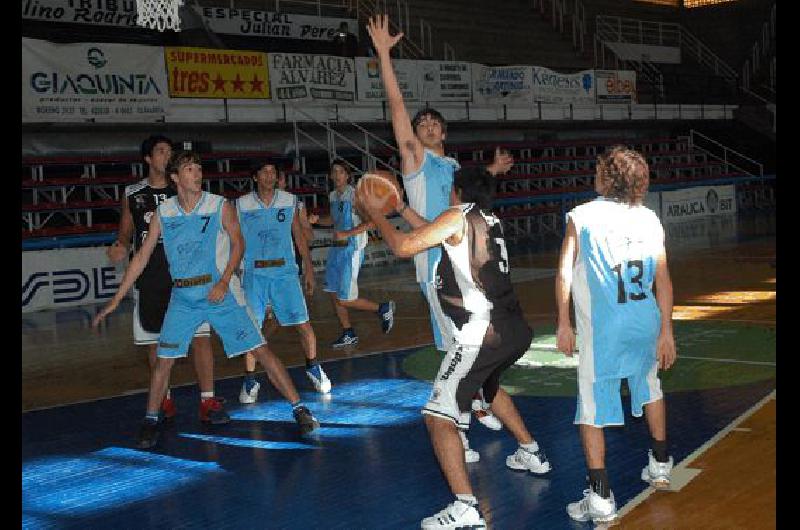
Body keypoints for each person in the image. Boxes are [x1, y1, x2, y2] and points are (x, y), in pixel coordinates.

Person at [359, 165, 551, 529]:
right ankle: (531, 452)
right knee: (488, 388)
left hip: (482, 332)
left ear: (456, 191)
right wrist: (400, 210)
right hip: (513, 328)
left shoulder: (457, 216)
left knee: (436, 416)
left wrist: (375, 214)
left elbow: (402, 246)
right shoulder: (489, 219)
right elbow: (436, 232)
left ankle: (466, 507)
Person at [94, 150, 320, 449]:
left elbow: (238, 244)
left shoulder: (218, 205)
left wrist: (225, 280)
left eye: (199, 168)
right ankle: (150, 419)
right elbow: (142, 257)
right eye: (189, 169)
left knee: (260, 349)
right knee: (164, 361)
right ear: (175, 178)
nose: (197, 174)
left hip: (217, 292)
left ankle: (299, 409)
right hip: (183, 298)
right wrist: (116, 298)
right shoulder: (165, 213)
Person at [366, 14, 514, 447]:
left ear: (445, 132)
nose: (427, 125)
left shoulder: (452, 167)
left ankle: (473, 406)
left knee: (474, 345)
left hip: (466, 263)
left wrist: (491, 170)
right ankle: (458, 425)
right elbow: (396, 107)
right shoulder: (416, 162)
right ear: (413, 135)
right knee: (459, 350)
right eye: (420, 123)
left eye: (434, 123)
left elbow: (460, 197)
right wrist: (384, 56)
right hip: (436, 267)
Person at [555, 146, 677, 524]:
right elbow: (664, 281)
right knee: (649, 386)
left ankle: (601, 496)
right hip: (646, 321)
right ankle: (659, 464)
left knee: (591, 407)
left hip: (604, 328)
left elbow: (563, 273)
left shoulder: (582, 216)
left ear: (606, 177)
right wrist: (667, 332)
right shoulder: (649, 219)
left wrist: (563, 321)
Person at [106, 135, 228, 425]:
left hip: (188, 275)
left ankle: (207, 400)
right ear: (148, 159)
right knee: (156, 342)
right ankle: (165, 399)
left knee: (201, 338)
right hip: (151, 276)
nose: (166, 155)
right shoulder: (134, 193)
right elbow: (125, 231)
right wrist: (120, 244)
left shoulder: (185, 190)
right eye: (161, 151)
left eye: (169, 151)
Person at [236, 159, 331, 404]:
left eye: (272, 172)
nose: (269, 176)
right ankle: (249, 379)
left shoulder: (289, 201)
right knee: (252, 330)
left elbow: (299, 235)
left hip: (285, 273)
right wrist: (233, 272)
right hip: (254, 275)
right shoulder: (241, 204)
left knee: (303, 324)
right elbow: (235, 239)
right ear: (255, 177)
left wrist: (308, 269)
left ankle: (312, 367)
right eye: (264, 171)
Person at [316, 159, 395, 348]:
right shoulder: (334, 195)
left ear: (348, 175)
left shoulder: (356, 195)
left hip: (352, 248)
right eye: (334, 171)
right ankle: (348, 332)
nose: (337, 175)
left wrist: (348, 233)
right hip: (337, 248)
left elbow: (373, 222)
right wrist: (318, 219)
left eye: (341, 171)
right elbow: (333, 221)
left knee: (345, 298)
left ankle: (382, 308)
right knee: (334, 294)